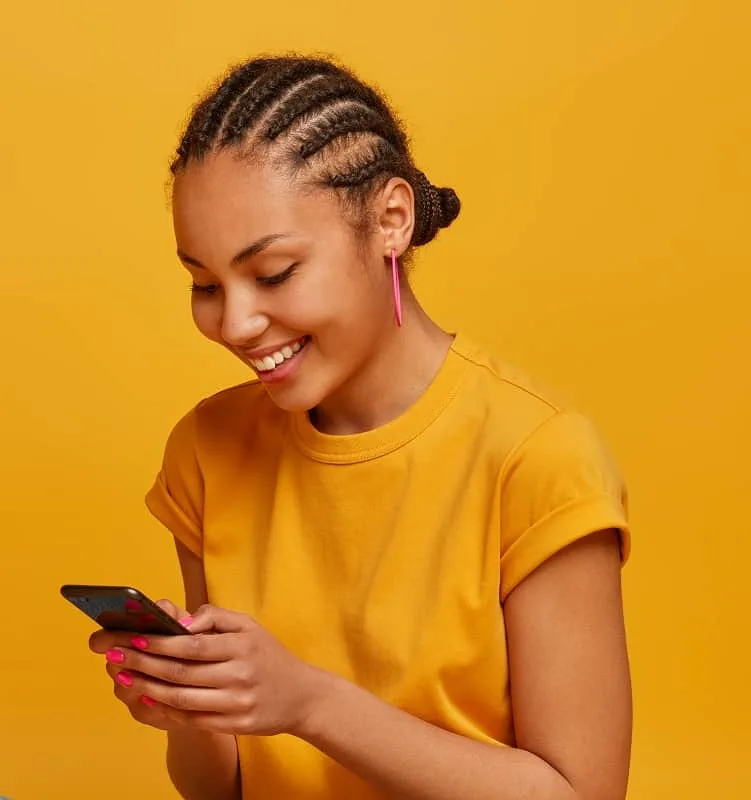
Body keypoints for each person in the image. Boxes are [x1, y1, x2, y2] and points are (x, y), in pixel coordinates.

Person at [89, 55, 632, 800]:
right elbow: (219, 789)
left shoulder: (536, 459)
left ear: (390, 220)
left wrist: (309, 703)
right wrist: (190, 708)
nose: (237, 323)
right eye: (204, 284)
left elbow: (581, 794)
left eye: (273, 273)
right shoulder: (205, 450)